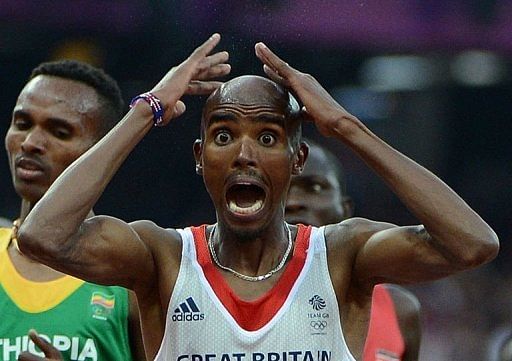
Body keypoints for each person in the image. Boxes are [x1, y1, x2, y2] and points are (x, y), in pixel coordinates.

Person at [16, 33, 499, 360]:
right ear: (200, 156)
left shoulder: (341, 257)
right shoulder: (161, 257)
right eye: (224, 136)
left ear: (297, 158)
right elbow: (43, 236)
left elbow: (473, 243)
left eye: (268, 137)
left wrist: (345, 126)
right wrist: (149, 109)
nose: (245, 154)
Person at [2, 59, 145, 361]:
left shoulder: (131, 276)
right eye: (22, 123)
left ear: (102, 152)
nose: (30, 143)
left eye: (59, 132)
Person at [285, 139, 421, 360]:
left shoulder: (400, 310)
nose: (293, 202)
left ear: (345, 209)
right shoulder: (227, 300)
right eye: (282, 187)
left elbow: (469, 246)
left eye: (315, 187)